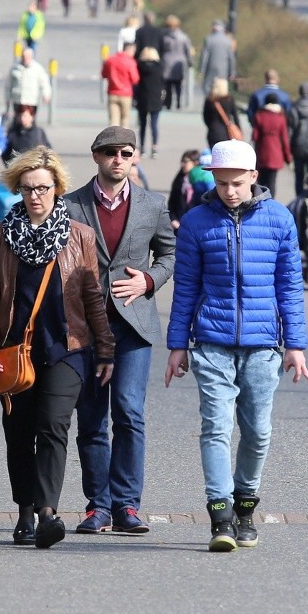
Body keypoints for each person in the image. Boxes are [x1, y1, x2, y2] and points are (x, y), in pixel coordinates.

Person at [164, 140, 308, 552]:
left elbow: (290, 287)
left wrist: (295, 345)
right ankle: (220, 517)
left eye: (236, 182)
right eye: (221, 182)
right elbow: (186, 288)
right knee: (215, 427)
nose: (229, 190)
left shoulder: (279, 219)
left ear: (253, 176)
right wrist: (178, 344)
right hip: (211, 343)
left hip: (264, 345)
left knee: (258, 431)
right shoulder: (196, 222)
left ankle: (246, 505)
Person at [0, 148, 115, 549]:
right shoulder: (3, 235)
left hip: (67, 348)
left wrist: (105, 350)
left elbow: (93, 297)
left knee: (53, 424)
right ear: (17, 191)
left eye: (43, 187)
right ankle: (24, 510)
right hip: (14, 349)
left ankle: (47, 513)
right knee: (18, 431)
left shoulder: (80, 235)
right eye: (27, 189)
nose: (35, 195)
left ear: (57, 187)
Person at [64, 126, 176, 535]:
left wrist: (149, 280)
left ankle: (127, 505)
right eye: (109, 152)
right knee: (91, 416)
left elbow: (170, 253)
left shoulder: (152, 205)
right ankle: (99, 506)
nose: (117, 158)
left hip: (133, 325)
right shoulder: (70, 205)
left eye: (125, 152)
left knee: (128, 412)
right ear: (96, 156)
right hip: (86, 326)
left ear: (135, 157)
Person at [251, 92, 291, 198]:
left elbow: (255, 136)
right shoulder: (281, 118)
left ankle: (259, 200)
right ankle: (271, 201)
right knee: (272, 181)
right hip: (275, 154)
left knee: (260, 180)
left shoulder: (259, 115)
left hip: (262, 152)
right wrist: (288, 157)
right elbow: (285, 139)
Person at [134, 46, 165, 159]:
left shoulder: (139, 66)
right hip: (156, 99)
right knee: (154, 124)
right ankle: (154, 148)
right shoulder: (159, 67)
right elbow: (163, 82)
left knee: (142, 125)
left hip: (142, 98)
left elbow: (136, 82)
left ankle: (142, 148)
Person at [101, 41, 139, 127]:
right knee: (125, 119)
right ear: (129, 49)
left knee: (113, 120)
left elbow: (103, 74)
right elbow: (135, 79)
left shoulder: (110, 60)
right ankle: (124, 140)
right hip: (126, 94)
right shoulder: (130, 62)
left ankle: (113, 139)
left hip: (112, 92)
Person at [5, 46, 52, 116]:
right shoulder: (15, 67)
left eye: (27, 57)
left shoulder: (37, 68)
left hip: (31, 101)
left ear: (31, 57)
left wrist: (46, 94)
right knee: (18, 121)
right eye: (23, 56)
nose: (25, 59)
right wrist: (7, 98)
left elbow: (44, 83)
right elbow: (8, 85)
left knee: (29, 122)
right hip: (18, 100)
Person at [161, 14, 193, 110]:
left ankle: (168, 103)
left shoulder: (165, 37)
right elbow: (188, 50)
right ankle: (178, 102)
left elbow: (161, 49)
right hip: (179, 62)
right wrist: (190, 61)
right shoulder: (184, 37)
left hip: (167, 61)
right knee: (178, 84)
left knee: (168, 85)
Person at [167, 149, 201, 233]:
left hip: (197, 227)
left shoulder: (202, 183)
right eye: (182, 161)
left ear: (195, 163)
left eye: (186, 162)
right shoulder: (179, 181)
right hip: (179, 227)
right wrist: (173, 219)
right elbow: (171, 203)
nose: (182, 164)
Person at [203, 77, 240, 149]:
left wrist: (210, 126)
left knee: (214, 156)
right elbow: (235, 117)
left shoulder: (210, 100)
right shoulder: (229, 99)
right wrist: (238, 129)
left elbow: (205, 117)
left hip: (213, 132)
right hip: (227, 134)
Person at [199, 19, 236, 94]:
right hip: (223, 70)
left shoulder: (208, 39)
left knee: (208, 88)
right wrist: (232, 72)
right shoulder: (228, 41)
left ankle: (210, 103)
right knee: (222, 90)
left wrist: (202, 70)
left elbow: (205, 56)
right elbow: (231, 58)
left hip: (210, 69)